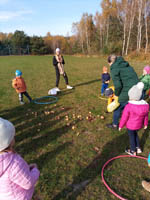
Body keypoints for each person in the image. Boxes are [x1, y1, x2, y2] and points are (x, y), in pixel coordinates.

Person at [0, 117, 40, 200]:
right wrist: (35, 170)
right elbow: (28, 182)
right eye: (12, 136)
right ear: (9, 141)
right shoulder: (14, 163)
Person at [106, 55, 139, 129]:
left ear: (110, 62)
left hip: (129, 90)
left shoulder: (114, 68)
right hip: (137, 90)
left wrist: (117, 95)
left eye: (109, 64)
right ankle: (132, 122)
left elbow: (118, 86)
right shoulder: (125, 64)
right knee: (129, 106)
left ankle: (115, 125)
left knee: (117, 106)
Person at [119, 82, 149, 156]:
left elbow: (124, 117)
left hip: (130, 126)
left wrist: (120, 126)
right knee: (135, 134)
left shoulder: (129, 106)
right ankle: (138, 148)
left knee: (132, 137)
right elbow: (146, 116)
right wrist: (145, 124)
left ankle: (133, 151)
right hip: (139, 125)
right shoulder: (145, 106)